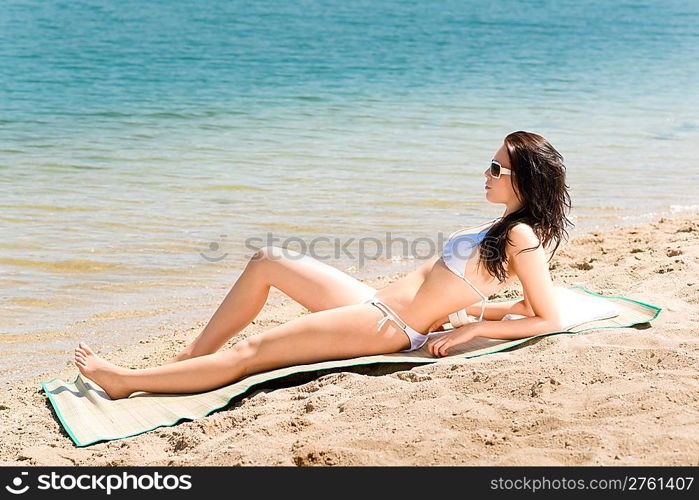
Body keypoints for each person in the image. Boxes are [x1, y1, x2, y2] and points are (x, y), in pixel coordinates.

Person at [74, 130, 573, 399]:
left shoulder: (521, 235)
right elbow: (519, 304)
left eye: (495, 168)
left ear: (521, 180)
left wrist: (466, 334)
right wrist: (475, 315)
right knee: (267, 259)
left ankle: (127, 382)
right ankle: (189, 357)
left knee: (254, 352)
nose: (484, 174)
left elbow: (546, 316)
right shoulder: (508, 227)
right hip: (379, 306)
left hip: (388, 324)